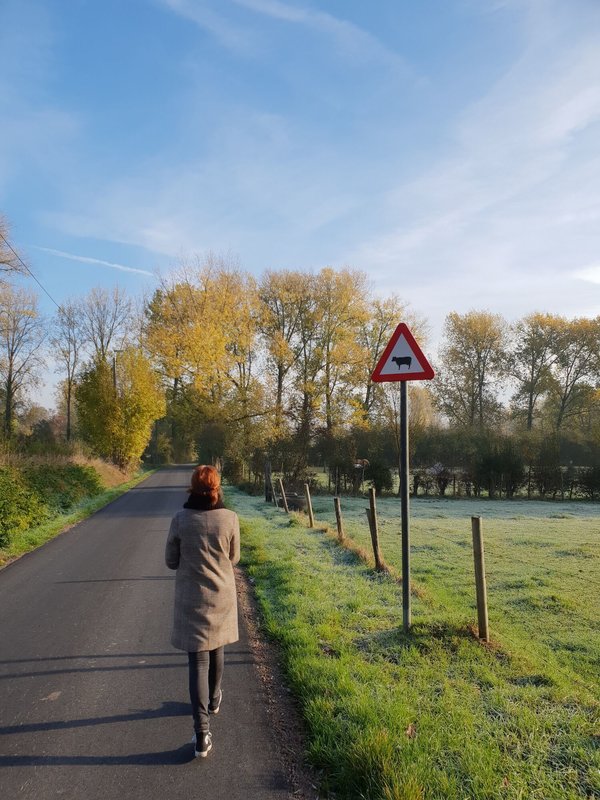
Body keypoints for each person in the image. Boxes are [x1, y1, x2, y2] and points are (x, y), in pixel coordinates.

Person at [165, 465, 240, 758]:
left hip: (190, 598)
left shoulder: (180, 519)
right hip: (220, 596)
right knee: (217, 647)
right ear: (217, 488)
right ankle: (213, 698)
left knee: (197, 662)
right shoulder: (230, 518)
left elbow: (171, 561)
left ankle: (202, 734)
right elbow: (233, 557)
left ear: (191, 489)